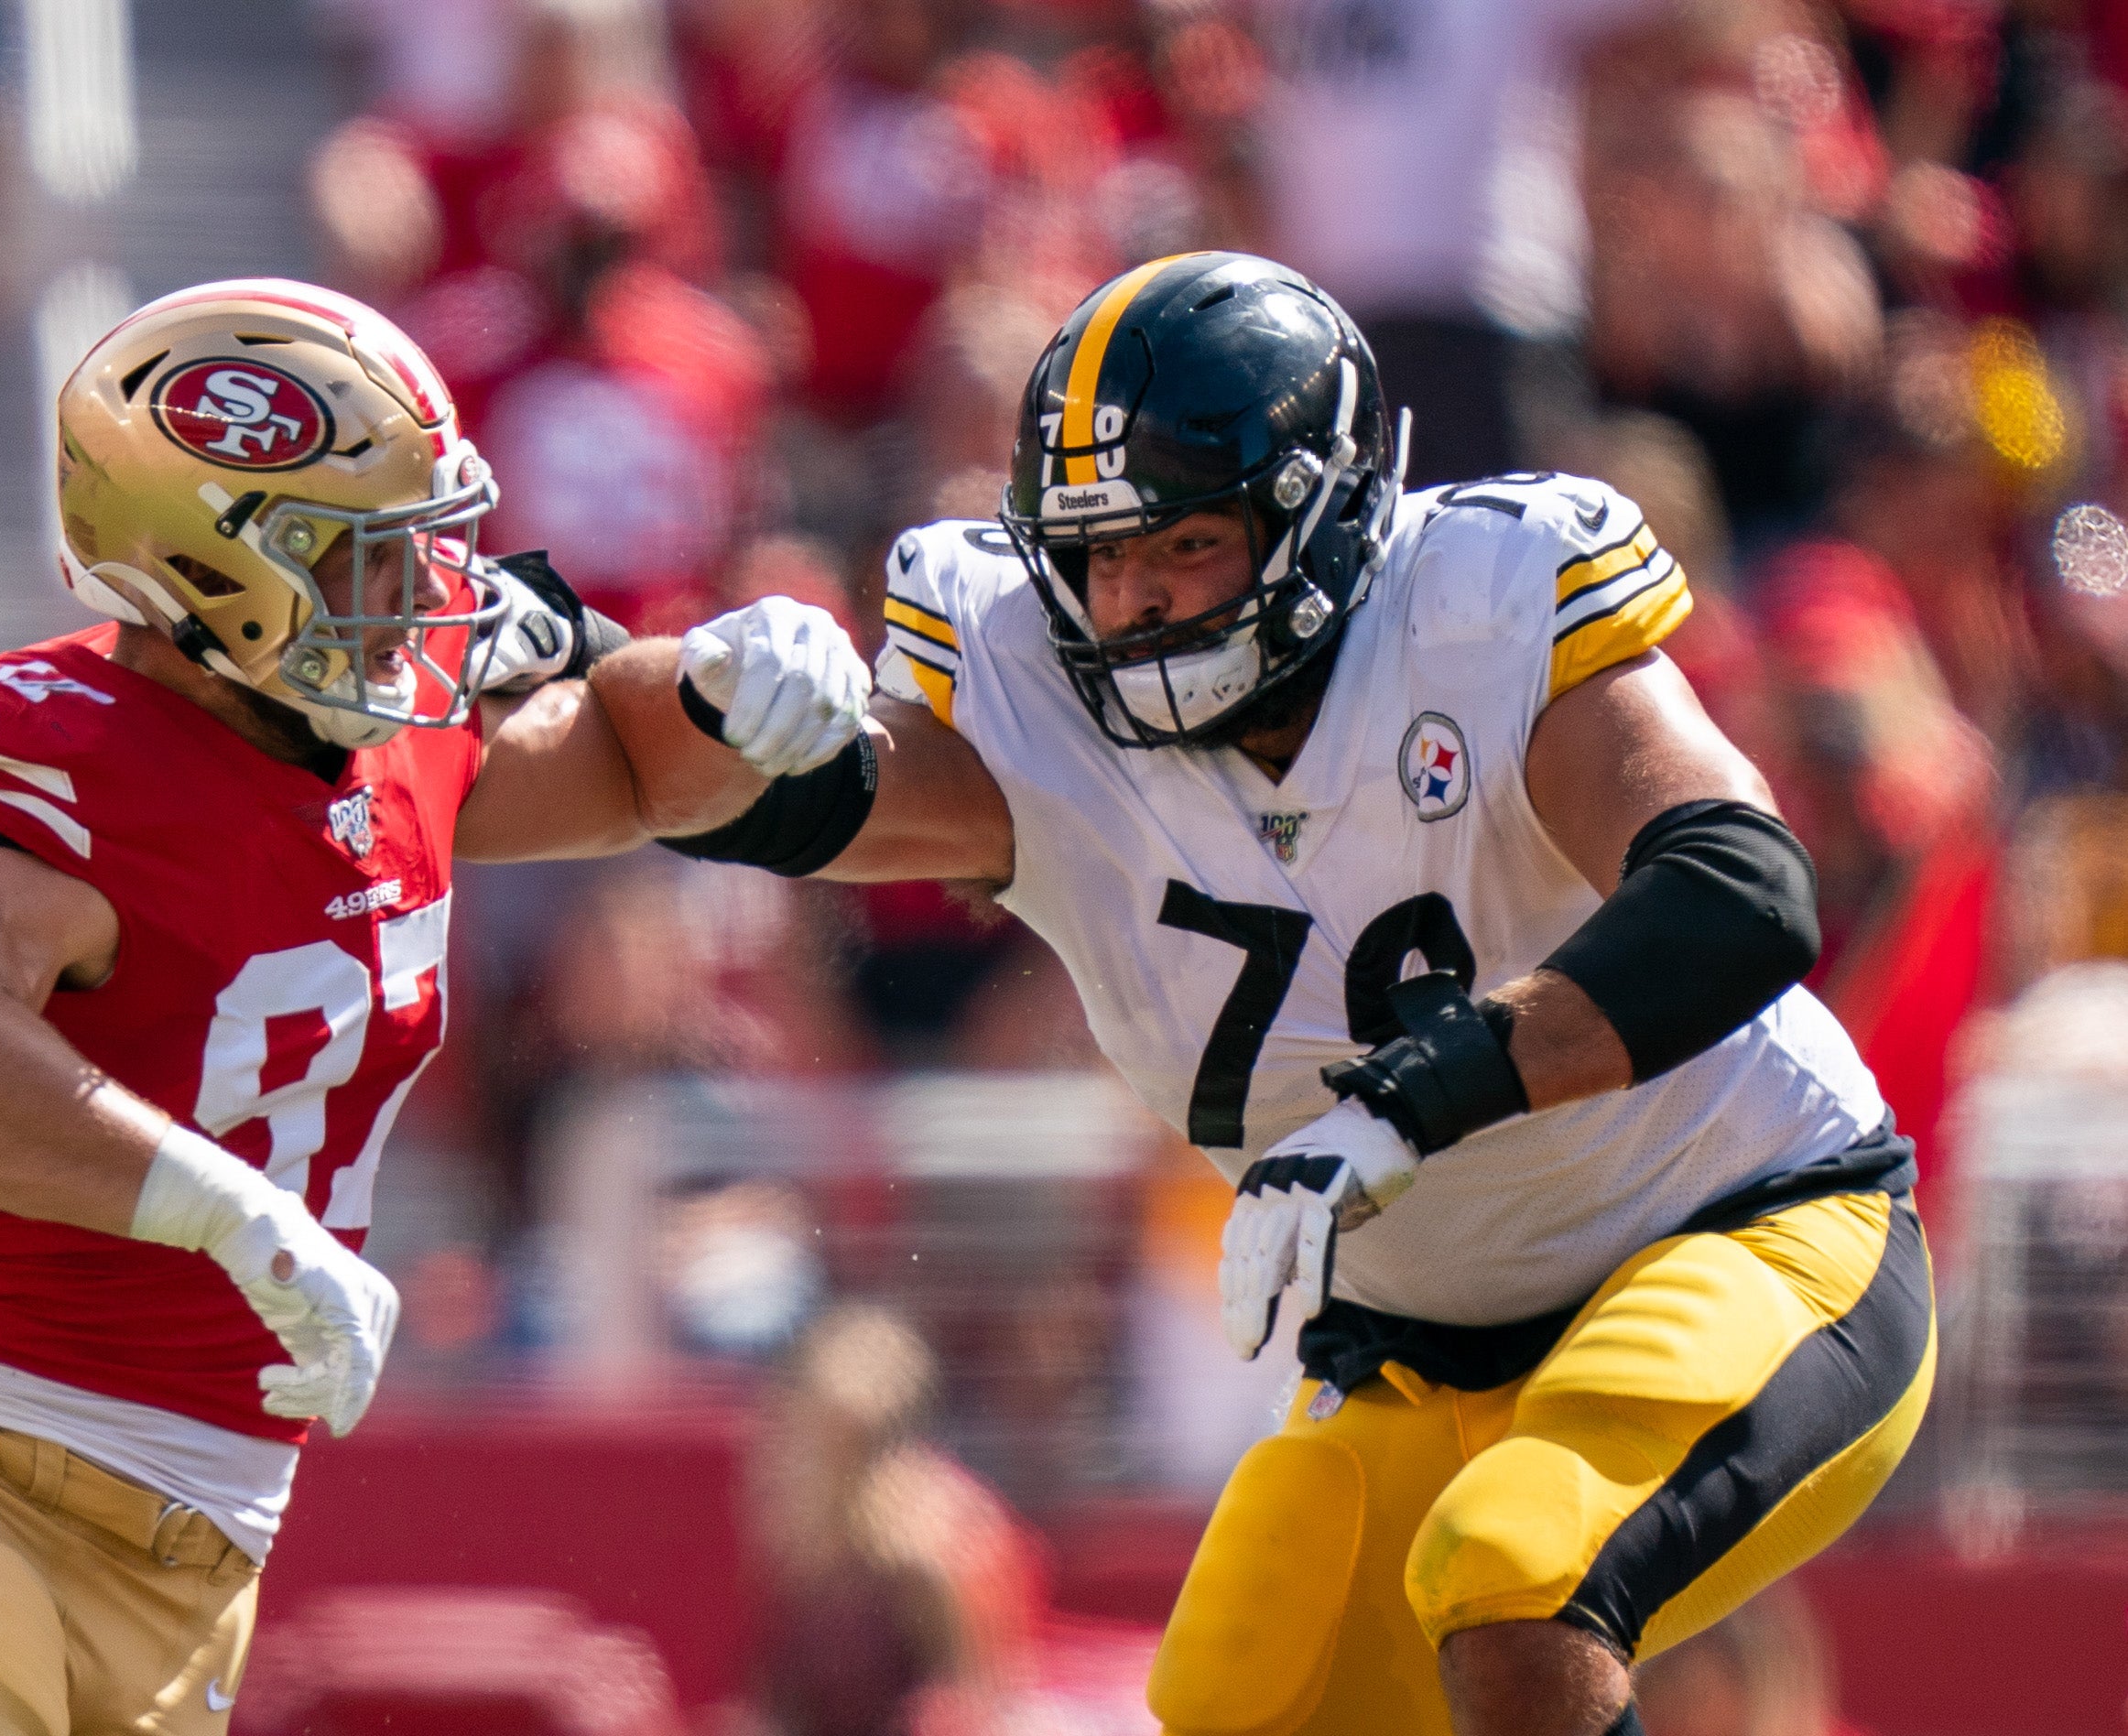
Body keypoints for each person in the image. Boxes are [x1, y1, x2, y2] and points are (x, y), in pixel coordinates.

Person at [589, 253, 1935, 1736]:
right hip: (1426, 1345)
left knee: (1521, 1572)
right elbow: (765, 800)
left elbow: (1743, 891)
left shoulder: (1477, 609)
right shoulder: (1045, 700)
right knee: (1238, 1688)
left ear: (1319, 515)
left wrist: (1415, 1102)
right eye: (1097, 558)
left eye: (1182, 547)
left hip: (1743, 1224)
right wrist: (697, 694)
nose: (1132, 602)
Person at [0, 278, 870, 1732]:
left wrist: (732, 682)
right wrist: (227, 1213)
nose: (416, 596)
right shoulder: (73, 761)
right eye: (360, 558)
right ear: (205, 568)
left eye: (421, 547)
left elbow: (635, 762)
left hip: (209, 1549)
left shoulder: (387, 733)